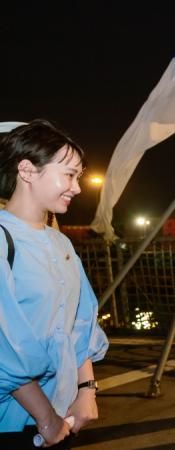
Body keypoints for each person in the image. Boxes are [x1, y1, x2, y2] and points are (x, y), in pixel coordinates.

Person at [0, 120, 109, 449]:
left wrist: (87, 388)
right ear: (27, 170)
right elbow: (4, 345)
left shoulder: (60, 244)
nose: (77, 187)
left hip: (62, 415)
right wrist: (45, 416)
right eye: (69, 175)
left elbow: (80, 319)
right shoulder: (4, 240)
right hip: (17, 421)